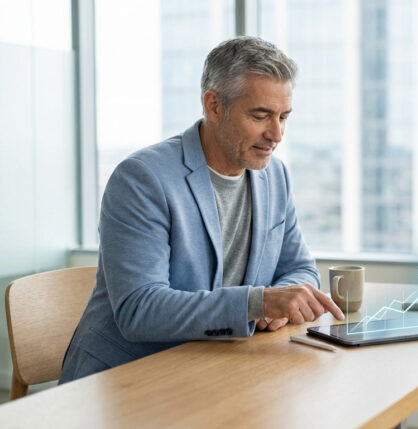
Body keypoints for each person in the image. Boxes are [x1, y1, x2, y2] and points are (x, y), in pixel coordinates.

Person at [59, 36, 344, 383]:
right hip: (129, 379)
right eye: (261, 115)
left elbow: (298, 268)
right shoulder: (142, 179)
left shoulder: (275, 176)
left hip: (218, 370)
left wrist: (283, 304)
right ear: (213, 106)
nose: (277, 134)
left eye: (284, 116)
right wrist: (259, 302)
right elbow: (139, 310)